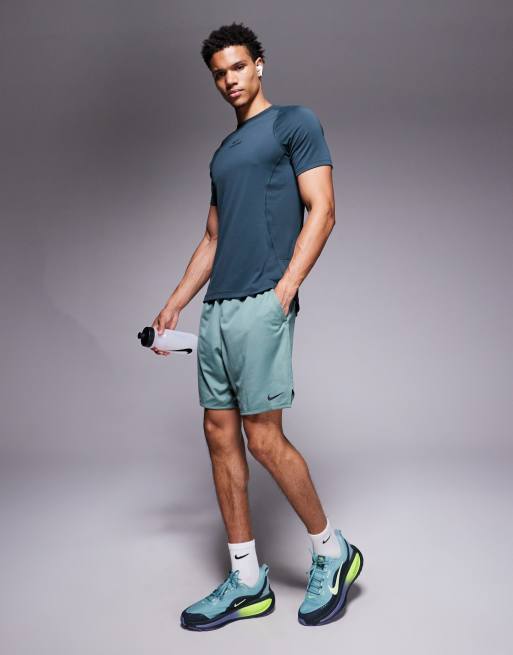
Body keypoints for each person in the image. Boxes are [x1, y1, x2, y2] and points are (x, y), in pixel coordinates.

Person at [151, 22, 363, 630]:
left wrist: (285, 290)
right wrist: (175, 304)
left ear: (260, 64)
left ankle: (332, 550)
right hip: (217, 310)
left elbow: (323, 209)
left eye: (238, 67)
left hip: (260, 304)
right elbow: (213, 237)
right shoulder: (222, 153)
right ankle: (247, 580)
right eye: (219, 74)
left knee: (263, 439)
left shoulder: (295, 123)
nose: (230, 81)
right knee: (218, 435)